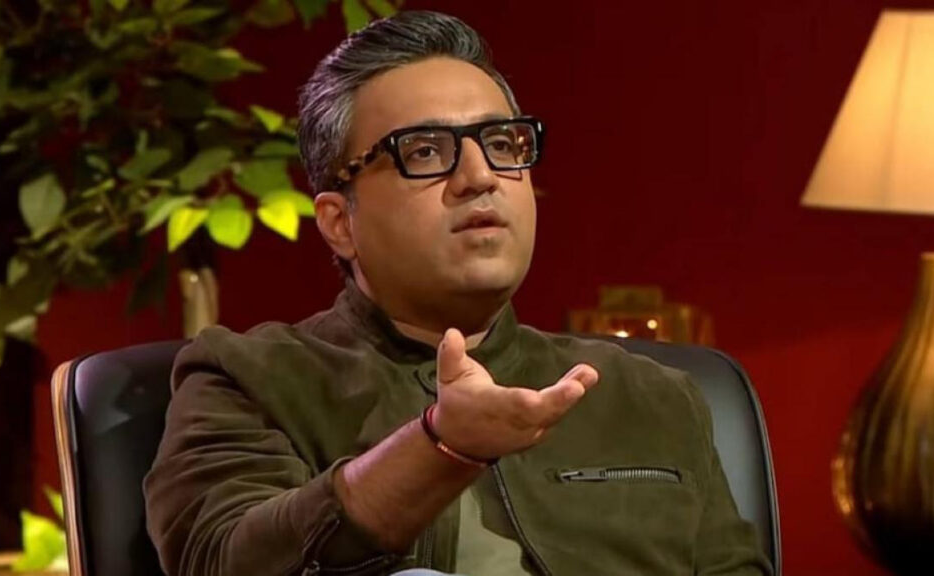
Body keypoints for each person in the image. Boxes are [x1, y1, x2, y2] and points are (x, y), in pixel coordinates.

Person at [143, 10, 773, 576]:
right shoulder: (249, 378)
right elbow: (220, 561)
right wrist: (440, 446)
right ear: (340, 222)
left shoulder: (648, 395)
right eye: (424, 152)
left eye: (502, 145)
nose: (480, 177)